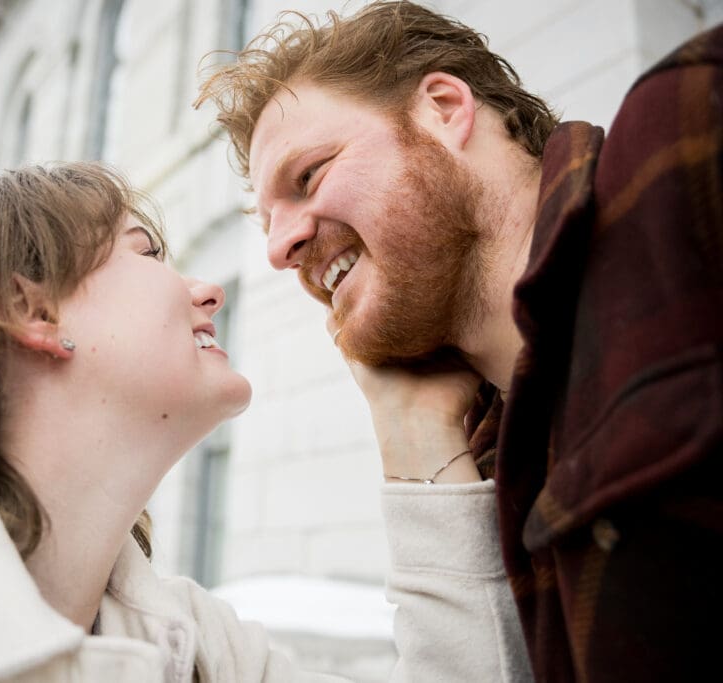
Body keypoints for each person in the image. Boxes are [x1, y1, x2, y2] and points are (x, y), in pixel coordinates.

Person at [0, 162, 526, 681]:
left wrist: (414, 433)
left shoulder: (198, 646)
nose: (210, 290)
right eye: (145, 251)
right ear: (31, 307)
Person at [196, 2, 723, 681]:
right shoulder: (486, 464)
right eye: (268, 221)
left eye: (310, 176)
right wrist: (415, 436)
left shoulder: (686, 131)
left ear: (445, 109)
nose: (279, 247)